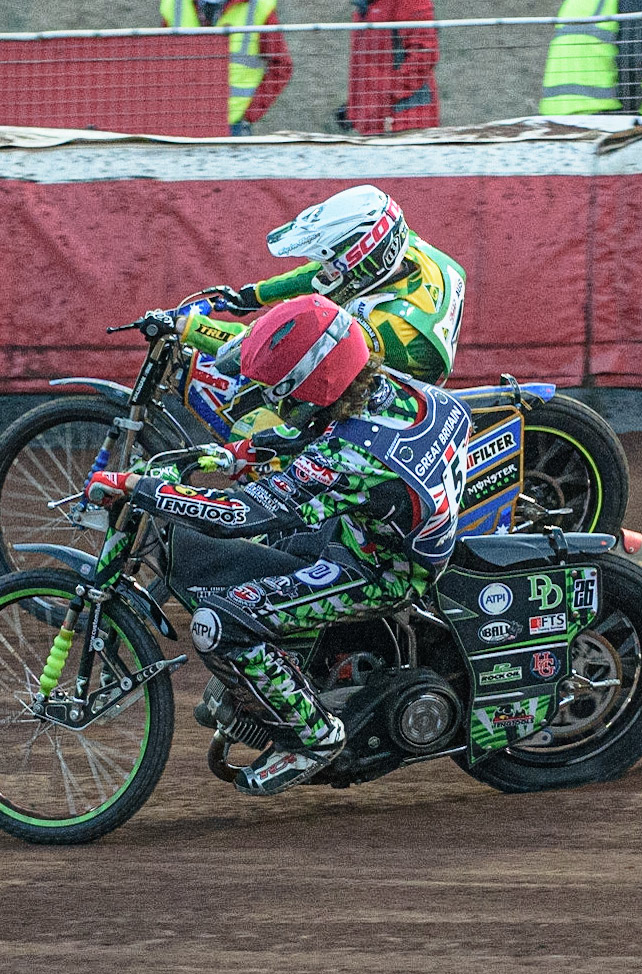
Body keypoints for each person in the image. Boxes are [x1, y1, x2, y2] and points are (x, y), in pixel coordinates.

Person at [87, 294, 472, 796]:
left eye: (278, 392)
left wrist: (145, 489)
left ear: (313, 387)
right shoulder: (394, 389)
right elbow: (297, 440)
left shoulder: (344, 453)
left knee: (217, 624)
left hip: (379, 571)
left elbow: (241, 515)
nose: (269, 401)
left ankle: (315, 737)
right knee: (274, 543)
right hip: (375, 526)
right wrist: (210, 458)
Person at [184, 184, 465, 412]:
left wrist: (189, 327)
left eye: (331, 267)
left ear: (364, 266)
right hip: (387, 380)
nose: (324, 275)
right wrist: (255, 295)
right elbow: (323, 275)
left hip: (384, 414)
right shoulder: (409, 251)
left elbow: (279, 347)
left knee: (256, 420)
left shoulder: (388, 324)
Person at [161, 0, 293, 135]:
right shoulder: (175, 5)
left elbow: (281, 65)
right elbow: (160, 63)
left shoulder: (258, 5)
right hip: (182, 121)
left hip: (232, 124)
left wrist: (251, 113)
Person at [539, 0, 642, 119]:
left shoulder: (575, 3)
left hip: (558, 112)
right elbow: (632, 57)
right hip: (612, 116)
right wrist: (629, 113)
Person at [338, 0, 441, 134]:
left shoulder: (409, 2)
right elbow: (369, 68)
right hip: (376, 123)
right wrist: (354, 109)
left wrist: (386, 96)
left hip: (407, 123)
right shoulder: (365, 7)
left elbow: (424, 56)